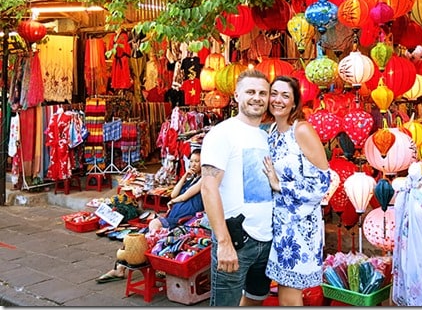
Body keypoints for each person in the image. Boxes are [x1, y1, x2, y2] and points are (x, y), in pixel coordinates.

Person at [200, 69, 274, 306]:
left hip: (266, 238)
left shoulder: (266, 136)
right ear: (236, 95)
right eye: (250, 91)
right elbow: (208, 187)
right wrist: (223, 242)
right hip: (237, 239)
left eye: (263, 93)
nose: (257, 97)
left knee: (255, 300)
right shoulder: (222, 133)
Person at [262, 75, 331, 306]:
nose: (278, 100)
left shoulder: (300, 130)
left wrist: (279, 185)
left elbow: (323, 182)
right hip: (278, 221)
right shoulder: (272, 130)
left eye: (285, 95)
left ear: (294, 102)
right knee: (284, 288)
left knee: (290, 292)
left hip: (299, 224)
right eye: (274, 93)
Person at [96, 149, 204, 283]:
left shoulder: (204, 179)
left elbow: (184, 196)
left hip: (183, 220)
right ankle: (120, 267)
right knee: (138, 236)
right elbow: (173, 194)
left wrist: (173, 202)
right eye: (191, 161)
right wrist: (184, 176)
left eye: (197, 161)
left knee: (154, 226)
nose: (193, 164)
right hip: (173, 216)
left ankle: (150, 259)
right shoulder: (190, 179)